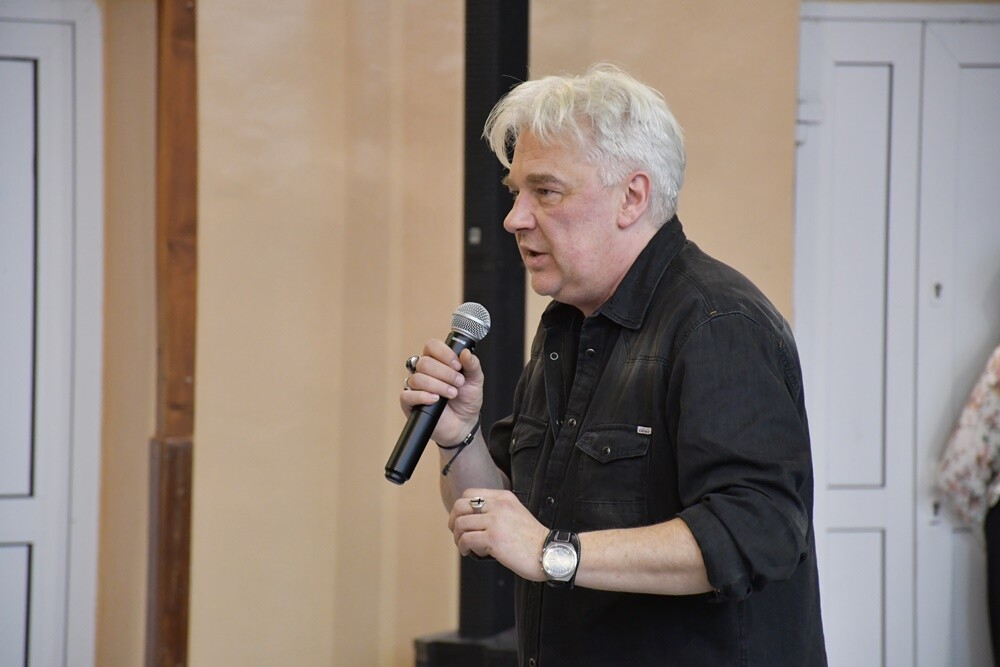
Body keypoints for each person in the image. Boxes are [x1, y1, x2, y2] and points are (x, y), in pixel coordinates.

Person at [399, 63, 827, 666]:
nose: (514, 218)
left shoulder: (718, 323)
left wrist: (554, 553)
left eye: (546, 191)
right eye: (516, 193)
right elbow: (499, 519)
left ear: (632, 197)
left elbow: (756, 533)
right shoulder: (567, 324)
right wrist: (458, 436)